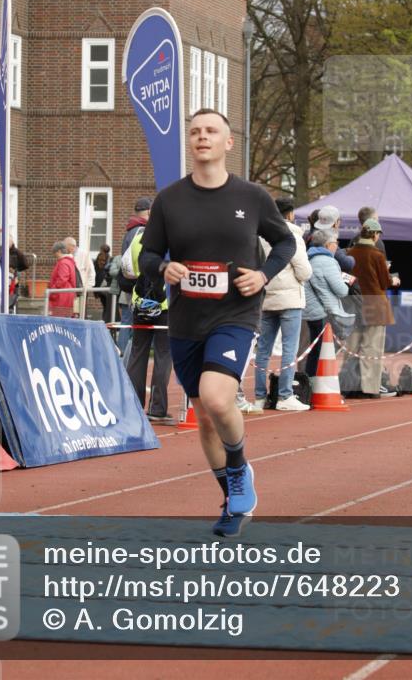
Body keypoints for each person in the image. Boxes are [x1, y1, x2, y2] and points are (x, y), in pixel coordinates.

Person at [139, 109, 296, 537]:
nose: (202, 137)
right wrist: (164, 268)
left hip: (236, 314)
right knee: (205, 416)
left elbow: (284, 241)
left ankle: (239, 468)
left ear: (228, 142)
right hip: (186, 318)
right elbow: (147, 255)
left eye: (211, 131)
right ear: (189, 142)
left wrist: (263, 275)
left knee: (217, 398)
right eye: (195, 131)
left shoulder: (252, 197)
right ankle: (231, 498)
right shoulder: (169, 200)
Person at [252, 195, 312, 412]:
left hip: (266, 297)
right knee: (289, 348)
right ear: (291, 214)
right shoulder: (293, 235)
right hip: (290, 299)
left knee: (263, 350)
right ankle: (285, 395)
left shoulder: (260, 236)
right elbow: (304, 271)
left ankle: (260, 396)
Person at [345, 218, 400, 398]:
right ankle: (369, 388)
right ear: (375, 235)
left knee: (352, 348)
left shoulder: (349, 253)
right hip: (375, 306)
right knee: (372, 349)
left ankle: (349, 386)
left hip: (353, 305)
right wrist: (393, 279)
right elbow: (384, 282)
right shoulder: (377, 255)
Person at [125, 227, 173, 424]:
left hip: (140, 302)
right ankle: (157, 408)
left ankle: (133, 406)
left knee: (138, 353)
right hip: (165, 304)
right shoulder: (173, 237)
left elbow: (128, 270)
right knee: (163, 355)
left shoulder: (138, 238)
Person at [303, 230, 351, 378]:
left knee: (315, 350)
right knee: (324, 352)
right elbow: (341, 290)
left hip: (311, 311)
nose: (337, 246)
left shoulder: (309, 258)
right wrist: (346, 283)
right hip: (324, 311)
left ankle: (310, 383)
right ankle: (319, 384)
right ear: (328, 245)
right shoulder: (327, 261)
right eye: (336, 242)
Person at [117, 197, 152, 362]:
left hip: (127, 283)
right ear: (149, 212)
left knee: (126, 323)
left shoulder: (130, 230)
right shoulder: (142, 231)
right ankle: (127, 363)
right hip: (137, 285)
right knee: (135, 327)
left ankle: (121, 359)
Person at [314, 205, 355, 274]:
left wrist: (343, 251)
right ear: (336, 223)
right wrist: (352, 257)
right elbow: (347, 264)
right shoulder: (330, 241)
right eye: (339, 220)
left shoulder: (314, 238)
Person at [48, 241, 80, 317]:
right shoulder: (69, 261)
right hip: (67, 294)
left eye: (55, 252)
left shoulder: (63, 262)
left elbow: (62, 280)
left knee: (59, 318)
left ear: (59, 251)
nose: (54, 255)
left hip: (62, 296)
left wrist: (52, 292)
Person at [93, 243, 112, 322]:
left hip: (99, 283)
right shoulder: (109, 259)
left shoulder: (98, 257)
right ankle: (106, 320)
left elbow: (96, 269)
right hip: (105, 284)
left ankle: (105, 319)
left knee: (105, 304)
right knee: (107, 305)